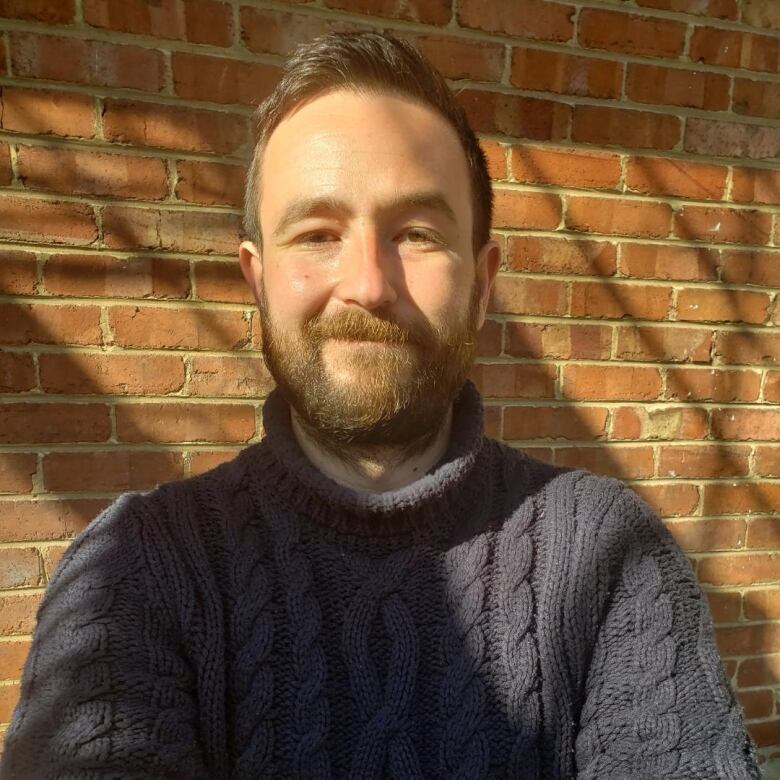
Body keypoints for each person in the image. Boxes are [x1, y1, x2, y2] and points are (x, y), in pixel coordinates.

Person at [1, 31, 760, 779]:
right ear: (258, 280)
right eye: (318, 232)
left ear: (483, 281)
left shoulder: (609, 558)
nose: (367, 283)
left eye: (417, 233)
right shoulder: (136, 568)